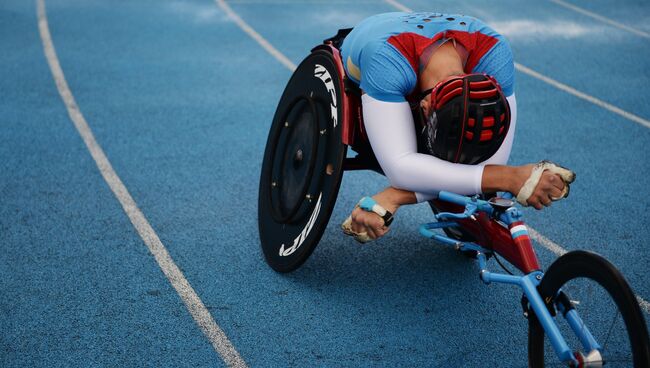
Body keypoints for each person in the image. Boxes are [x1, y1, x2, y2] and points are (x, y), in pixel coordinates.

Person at [338, 12, 575, 243]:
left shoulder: (494, 54)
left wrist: (396, 195)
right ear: (424, 106)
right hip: (386, 41)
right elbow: (400, 168)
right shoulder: (386, 61)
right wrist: (510, 177)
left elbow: (489, 167)